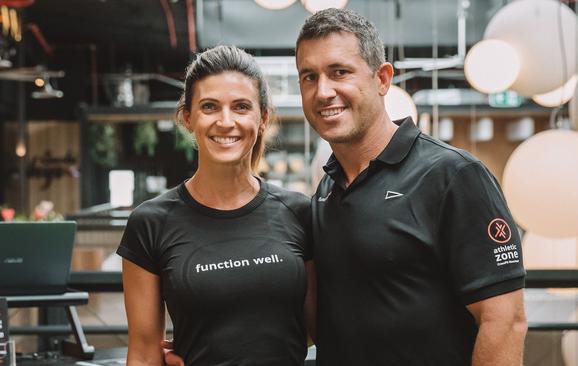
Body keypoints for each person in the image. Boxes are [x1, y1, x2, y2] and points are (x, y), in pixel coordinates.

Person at [296, 8, 527, 366]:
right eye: (309, 77)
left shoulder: (454, 175)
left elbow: (505, 321)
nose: (323, 91)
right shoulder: (326, 190)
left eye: (339, 72)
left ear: (382, 79)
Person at [118, 45, 316, 366]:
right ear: (188, 117)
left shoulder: (300, 212)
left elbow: (314, 328)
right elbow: (142, 353)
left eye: (241, 107)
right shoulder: (151, 223)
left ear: (262, 118)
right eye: (209, 107)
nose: (226, 122)